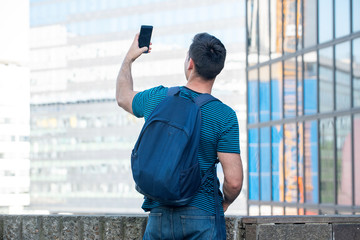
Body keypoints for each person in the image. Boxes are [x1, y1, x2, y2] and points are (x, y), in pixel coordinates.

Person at [116, 32, 243, 240]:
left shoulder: (158, 98)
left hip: (159, 215)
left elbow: (123, 97)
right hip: (203, 216)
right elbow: (234, 181)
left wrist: (129, 58)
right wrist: (225, 203)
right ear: (217, 70)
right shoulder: (224, 115)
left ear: (190, 63)